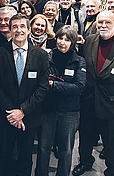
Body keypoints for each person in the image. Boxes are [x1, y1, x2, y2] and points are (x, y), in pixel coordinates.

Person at [0, 13, 49, 176]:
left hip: (29, 117)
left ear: (29, 30)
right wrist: (12, 113)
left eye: (22, 26)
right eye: (14, 26)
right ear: (9, 30)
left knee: (25, 158)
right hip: (5, 117)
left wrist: (22, 111)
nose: (18, 30)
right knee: (4, 157)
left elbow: (43, 88)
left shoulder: (41, 56)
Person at [73, 11, 114, 176]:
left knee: (111, 142)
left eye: (107, 23)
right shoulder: (90, 41)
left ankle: (112, 170)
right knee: (86, 136)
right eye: (100, 22)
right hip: (89, 100)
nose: (103, 26)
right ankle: (85, 161)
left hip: (113, 104)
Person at [36, 25, 86, 176]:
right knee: (44, 148)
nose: (62, 42)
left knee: (65, 150)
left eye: (67, 39)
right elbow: (41, 81)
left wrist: (53, 84)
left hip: (69, 112)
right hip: (48, 109)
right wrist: (63, 85)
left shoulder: (79, 61)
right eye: (60, 38)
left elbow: (78, 87)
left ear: (73, 42)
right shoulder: (46, 57)